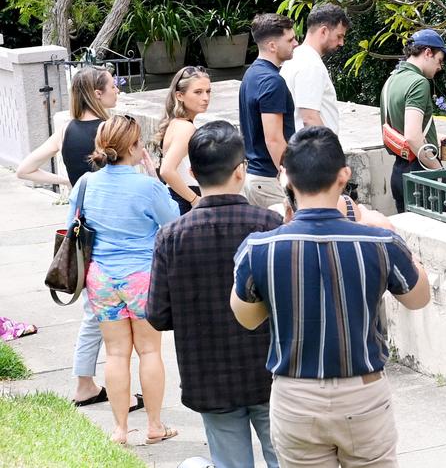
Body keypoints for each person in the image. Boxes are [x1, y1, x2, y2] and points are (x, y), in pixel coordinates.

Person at [231, 126, 431, 467]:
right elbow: (418, 298)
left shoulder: (260, 248)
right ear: (344, 176)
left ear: (287, 179)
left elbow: (247, 318)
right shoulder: (380, 243)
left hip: (295, 396)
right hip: (364, 393)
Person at [148, 120, 281, 467]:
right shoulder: (269, 225)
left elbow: (158, 315)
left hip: (209, 374)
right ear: (241, 171)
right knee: (285, 458)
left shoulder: (171, 235)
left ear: (192, 171)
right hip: (270, 370)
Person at [16, 66, 145, 411]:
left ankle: (85, 383)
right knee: (112, 317)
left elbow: (23, 169)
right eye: (111, 86)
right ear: (98, 94)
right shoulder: (108, 132)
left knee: (94, 311)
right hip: (112, 228)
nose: (116, 89)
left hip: (80, 227)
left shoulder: (65, 130)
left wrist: (66, 182)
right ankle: (97, 386)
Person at [67, 115, 180, 444]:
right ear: (133, 147)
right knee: (149, 352)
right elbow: (172, 223)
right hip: (141, 277)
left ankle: (119, 430)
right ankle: (155, 425)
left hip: (100, 278)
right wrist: (152, 177)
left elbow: (70, 227)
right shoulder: (147, 187)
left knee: (116, 354)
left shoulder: (86, 183)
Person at [379, 29, 446, 213]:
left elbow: (397, 129)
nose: (440, 67)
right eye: (439, 60)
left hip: (399, 173)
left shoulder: (391, 81)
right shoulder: (418, 83)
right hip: (422, 175)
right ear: (428, 52)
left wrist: (433, 138)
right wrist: (440, 172)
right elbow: (413, 137)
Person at [239, 13, 298, 209]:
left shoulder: (252, 74)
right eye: (290, 39)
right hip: (269, 180)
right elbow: (273, 139)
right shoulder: (272, 81)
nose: (296, 43)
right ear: (272, 46)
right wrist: (291, 180)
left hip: (256, 177)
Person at [280, 4, 350, 133]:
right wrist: (330, 150)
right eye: (339, 36)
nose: (341, 43)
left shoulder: (295, 57)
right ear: (323, 31)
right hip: (313, 149)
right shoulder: (310, 65)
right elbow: (309, 118)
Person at [157, 65, 212, 214]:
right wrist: (195, 200)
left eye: (208, 91)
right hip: (185, 202)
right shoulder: (185, 128)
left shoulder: (176, 123)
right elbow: (166, 170)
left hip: (179, 198)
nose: (205, 98)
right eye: (198, 92)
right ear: (180, 96)